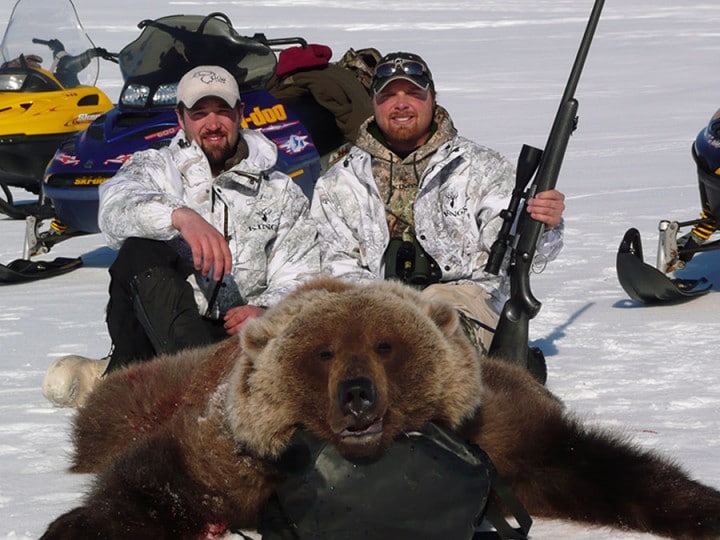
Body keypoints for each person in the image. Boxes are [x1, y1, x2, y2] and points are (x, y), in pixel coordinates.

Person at [42, 65, 319, 407]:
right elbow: (114, 206)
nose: (212, 124)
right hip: (160, 331)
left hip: (236, 337)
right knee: (139, 250)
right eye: (200, 113)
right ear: (181, 119)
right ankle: (165, 382)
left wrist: (266, 310)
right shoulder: (156, 167)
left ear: (240, 114)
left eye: (222, 112)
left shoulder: (278, 190)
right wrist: (179, 217)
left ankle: (148, 386)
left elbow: (301, 268)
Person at [310, 52, 565, 379]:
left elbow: (518, 250)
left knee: (435, 312)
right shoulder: (339, 181)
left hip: (465, 305)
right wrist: (388, 312)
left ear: (432, 99)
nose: (401, 104)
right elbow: (335, 265)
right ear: (374, 103)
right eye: (388, 95)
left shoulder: (480, 167)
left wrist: (545, 223)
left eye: (413, 94)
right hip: (372, 314)